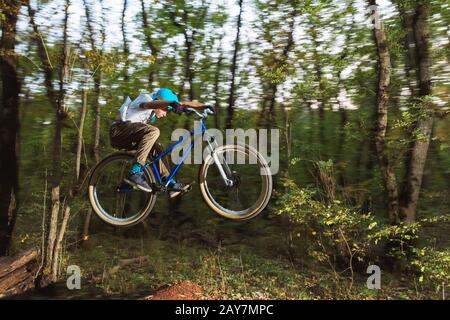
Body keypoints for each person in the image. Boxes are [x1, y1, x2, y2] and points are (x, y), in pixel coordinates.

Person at [110, 88, 204, 198]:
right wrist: (170, 103)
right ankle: (135, 172)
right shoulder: (146, 98)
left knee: (157, 148)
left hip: (129, 135)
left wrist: (205, 106)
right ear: (160, 102)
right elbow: (147, 105)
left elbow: (184, 103)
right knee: (153, 131)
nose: (165, 114)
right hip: (118, 131)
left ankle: (169, 182)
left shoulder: (154, 109)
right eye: (166, 110)